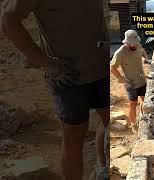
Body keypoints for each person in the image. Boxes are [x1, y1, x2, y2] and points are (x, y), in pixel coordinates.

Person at [0, 0, 109, 179]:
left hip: (102, 68)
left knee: (107, 122)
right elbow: (8, 22)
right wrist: (45, 63)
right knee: (74, 139)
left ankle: (102, 168)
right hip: (68, 77)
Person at [110, 29, 148, 133]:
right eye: (133, 44)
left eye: (136, 43)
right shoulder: (120, 52)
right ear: (127, 42)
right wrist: (120, 79)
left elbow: (143, 51)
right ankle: (133, 124)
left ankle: (143, 117)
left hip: (142, 80)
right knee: (132, 104)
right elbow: (112, 67)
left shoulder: (138, 46)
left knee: (145, 100)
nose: (135, 45)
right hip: (130, 83)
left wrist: (146, 59)